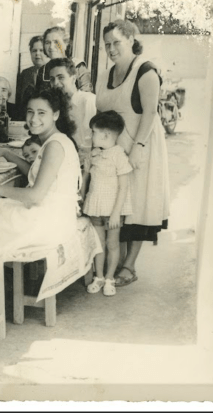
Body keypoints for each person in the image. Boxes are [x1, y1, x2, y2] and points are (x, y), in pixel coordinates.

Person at [95, 19, 170, 287]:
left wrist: (137, 149)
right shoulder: (105, 75)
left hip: (142, 145)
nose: (111, 49)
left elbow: (150, 113)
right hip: (113, 149)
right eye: (107, 45)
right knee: (117, 203)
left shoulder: (145, 71)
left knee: (139, 203)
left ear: (130, 40)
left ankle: (129, 265)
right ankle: (116, 260)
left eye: (116, 42)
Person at [0, 88, 81, 258]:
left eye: (41, 113)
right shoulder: (56, 139)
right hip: (57, 216)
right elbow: (38, 176)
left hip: (49, 222)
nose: (34, 119)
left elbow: (35, 195)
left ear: (56, 115)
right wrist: (7, 154)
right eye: (30, 112)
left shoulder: (54, 146)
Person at [82, 111, 133, 297]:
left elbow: (124, 187)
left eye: (93, 132)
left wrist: (115, 213)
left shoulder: (118, 155)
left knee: (112, 244)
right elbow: (87, 182)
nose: (90, 136)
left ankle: (110, 278)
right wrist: (86, 170)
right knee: (98, 244)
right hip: (95, 205)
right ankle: (99, 276)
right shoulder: (95, 154)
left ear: (105, 135)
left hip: (113, 209)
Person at [48, 57, 97, 163]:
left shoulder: (88, 100)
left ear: (73, 79)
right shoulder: (55, 105)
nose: (55, 83)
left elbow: (92, 140)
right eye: (52, 79)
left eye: (60, 77)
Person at [36, 26, 93, 93]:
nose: (51, 47)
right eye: (47, 43)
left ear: (65, 44)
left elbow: (86, 95)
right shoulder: (42, 70)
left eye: (56, 42)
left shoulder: (78, 66)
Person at [15, 36, 47, 114]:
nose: (37, 54)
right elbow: (19, 101)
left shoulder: (53, 73)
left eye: (41, 50)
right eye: (34, 51)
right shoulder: (25, 74)